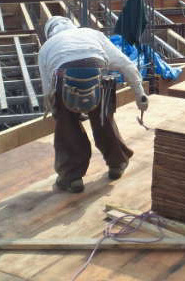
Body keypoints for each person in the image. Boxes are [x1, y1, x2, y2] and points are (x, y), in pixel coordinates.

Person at [38, 16, 148, 193]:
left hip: (63, 78)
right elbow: (125, 64)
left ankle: (72, 178)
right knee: (103, 118)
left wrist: (55, 108)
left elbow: (47, 88)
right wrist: (139, 93)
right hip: (97, 73)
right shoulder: (92, 34)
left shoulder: (46, 47)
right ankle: (117, 163)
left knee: (67, 127)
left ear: (49, 33)